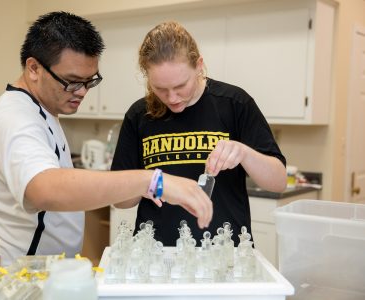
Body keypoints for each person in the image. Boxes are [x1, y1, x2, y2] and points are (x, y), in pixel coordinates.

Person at [0, 12, 213, 266]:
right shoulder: (16, 117)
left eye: (90, 81)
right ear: (34, 68)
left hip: (41, 269)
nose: (82, 92)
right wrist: (152, 180)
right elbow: (43, 189)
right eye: (72, 82)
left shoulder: (40, 110)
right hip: (19, 275)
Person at [111, 21, 287, 246]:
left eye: (181, 85)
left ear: (199, 66)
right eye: (161, 89)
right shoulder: (139, 115)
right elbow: (121, 202)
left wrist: (244, 153)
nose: (172, 98)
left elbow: (279, 181)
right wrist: (147, 184)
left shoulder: (235, 104)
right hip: (156, 256)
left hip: (223, 254)